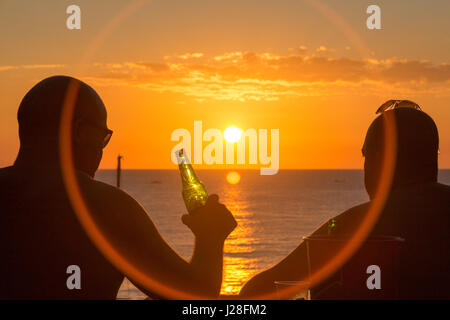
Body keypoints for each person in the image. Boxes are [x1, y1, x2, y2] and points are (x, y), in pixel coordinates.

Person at [0, 75, 237, 299]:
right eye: (103, 137)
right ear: (81, 132)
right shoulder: (105, 207)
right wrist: (211, 236)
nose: (103, 150)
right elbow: (195, 295)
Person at [240, 103, 450, 299]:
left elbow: (257, 292)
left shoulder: (356, 226)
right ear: (433, 158)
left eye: (365, 156)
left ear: (380, 159)